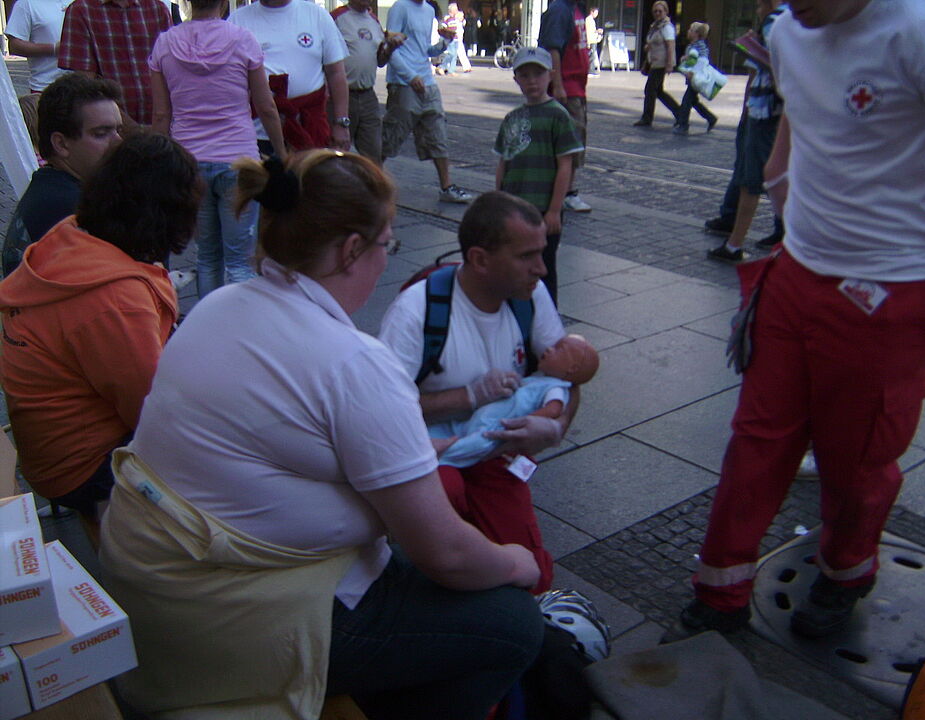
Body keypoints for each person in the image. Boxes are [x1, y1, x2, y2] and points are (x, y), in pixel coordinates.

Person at [96, 150, 543, 720]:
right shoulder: (352, 363)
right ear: (351, 249)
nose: (384, 261)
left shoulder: (220, 305)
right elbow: (447, 555)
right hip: (227, 623)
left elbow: (282, 446)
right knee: (514, 624)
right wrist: (518, 564)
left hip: (158, 587)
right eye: (386, 246)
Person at [683, 0, 925, 639]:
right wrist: (783, 186)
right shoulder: (789, 33)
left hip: (893, 289)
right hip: (796, 272)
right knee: (757, 438)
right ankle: (719, 594)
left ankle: (845, 572)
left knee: (856, 456)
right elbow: (799, 117)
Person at [380, 191, 580, 595]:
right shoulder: (417, 310)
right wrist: (470, 396)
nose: (542, 269)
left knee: (534, 579)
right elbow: (381, 417)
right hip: (429, 454)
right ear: (480, 259)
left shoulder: (530, 295)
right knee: (449, 504)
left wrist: (556, 427)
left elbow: (568, 378)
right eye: (527, 256)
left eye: (542, 252)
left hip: (494, 455)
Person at [0, 134, 200, 528]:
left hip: (49, 448)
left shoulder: (73, 232)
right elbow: (152, 413)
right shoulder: (115, 298)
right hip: (82, 467)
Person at [149, 0, 286, 298]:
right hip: (238, 160)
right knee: (240, 259)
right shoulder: (243, 40)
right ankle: (239, 322)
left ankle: (207, 320)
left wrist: (156, 163)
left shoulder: (165, 44)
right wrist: (281, 153)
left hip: (189, 162)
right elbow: (266, 106)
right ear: (223, 2)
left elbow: (161, 115)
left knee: (207, 256)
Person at [2, 73, 122, 276]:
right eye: (101, 133)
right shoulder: (71, 211)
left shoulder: (53, 188)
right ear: (61, 143)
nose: (118, 142)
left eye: (118, 130)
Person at [494, 46, 583, 304]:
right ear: (516, 80)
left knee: (543, 267)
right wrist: (498, 201)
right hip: (514, 208)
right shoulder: (512, 118)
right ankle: (517, 309)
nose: (532, 81)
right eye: (525, 75)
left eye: (538, 74)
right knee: (513, 263)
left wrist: (554, 210)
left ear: (551, 76)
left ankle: (546, 314)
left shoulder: (558, 116)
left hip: (544, 209)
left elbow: (565, 165)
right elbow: (503, 162)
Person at [432, 334, 599, 468]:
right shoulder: (540, 379)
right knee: (454, 429)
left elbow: (554, 409)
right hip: (484, 417)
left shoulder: (555, 388)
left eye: (558, 349)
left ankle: (436, 456)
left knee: (472, 445)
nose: (549, 348)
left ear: (572, 368)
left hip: (498, 427)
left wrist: (525, 422)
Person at [707, 1, 787, 263]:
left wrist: (756, 51)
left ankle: (735, 244)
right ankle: (783, 238)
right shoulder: (790, 19)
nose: (758, 10)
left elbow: (783, 70)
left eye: (760, 4)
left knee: (753, 178)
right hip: (774, 111)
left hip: (767, 111)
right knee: (770, 175)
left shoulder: (776, 21)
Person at [382, 0, 475, 203]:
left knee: (437, 132)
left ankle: (446, 187)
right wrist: (410, 76)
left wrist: (445, 42)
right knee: (391, 136)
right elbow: (390, 49)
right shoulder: (400, 8)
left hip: (427, 82)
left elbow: (424, 50)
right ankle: (370, 181)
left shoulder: (428, 10)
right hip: (404, 83)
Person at [229, 0, 350, 152]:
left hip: (309, 128)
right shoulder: (237, 20)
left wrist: (341, 122)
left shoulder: (317, 16)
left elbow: (336, 73)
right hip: (255, 133)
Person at [57, 0, 171, 132]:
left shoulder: (157, 8)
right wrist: (131, 129)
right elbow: (86, 87)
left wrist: (162, 127)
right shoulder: (81, 10)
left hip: (162, 128)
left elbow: (173, 76)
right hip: (112, 130)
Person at [331, 0, 404, 163]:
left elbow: (380, 61)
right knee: (337, 151)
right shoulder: (337, 18)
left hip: (367, 95)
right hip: (342, 95)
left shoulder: (374, 21)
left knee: (373, 154)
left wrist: (391, 48)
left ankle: (372, 179)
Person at [539, 0, 592, 213]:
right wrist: (558, 85)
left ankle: (564, 191)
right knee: (570, 142)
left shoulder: (575, 9)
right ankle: (565, 193)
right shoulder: (560, 10)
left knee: (573, 141)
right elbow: (553, 49)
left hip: (577, 87)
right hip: (568, 89)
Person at [4, 0, 71, 93]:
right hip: (46, 88)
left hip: (83, 84)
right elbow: (15, 46)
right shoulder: (26, 3)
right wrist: (54, 49)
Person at [634, 0, 680, 127]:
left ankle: (647, 118)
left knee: (650, 90)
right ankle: (680, 114)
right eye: (655, 11)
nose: (657, 13)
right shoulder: (655, 26)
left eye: (660, 11)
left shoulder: (667, 27)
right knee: (658, 91)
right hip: (654, 62)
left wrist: (669, 64)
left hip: (661, 63)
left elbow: (670, 46)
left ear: (666, 11)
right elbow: (653, 42)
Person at [673, 21, 717, 135]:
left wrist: (688, 60)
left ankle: (683, 125)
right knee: (693, 101)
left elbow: (702, 60)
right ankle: (711, 118)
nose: (688, 32)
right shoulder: (693, 45)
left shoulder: (699, 45)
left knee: (686, 101)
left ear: (697, 33)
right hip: (692, 78)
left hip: (696, 77)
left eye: (691, 30)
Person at [585, 6, 601, 76]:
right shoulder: (589, 20)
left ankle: (591, 70)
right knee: (591, 56)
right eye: (595, 13)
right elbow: (588, 31)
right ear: (592, 12)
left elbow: (592, 30)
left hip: (593, 40)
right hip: (591, 40)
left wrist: (597, 31)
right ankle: (590, 70)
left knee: (593, 56)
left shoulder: (591, 20)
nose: (596, 14)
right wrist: (588, 42)